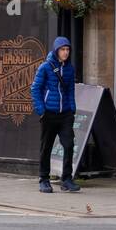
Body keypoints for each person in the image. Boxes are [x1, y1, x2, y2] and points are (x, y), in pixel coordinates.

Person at [31, 36, 80, 193]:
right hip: (49, 114)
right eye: (62, 50)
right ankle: (44, 180)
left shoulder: (69, 69)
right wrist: (41, 111)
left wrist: (72, 109)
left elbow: (71, 89)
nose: (66, 53)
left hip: (65, 114)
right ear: (56, 50)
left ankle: (67, 179)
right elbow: (35, 89)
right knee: (46, 147)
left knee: (69, 145)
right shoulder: (45, 67)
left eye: (67, 50)